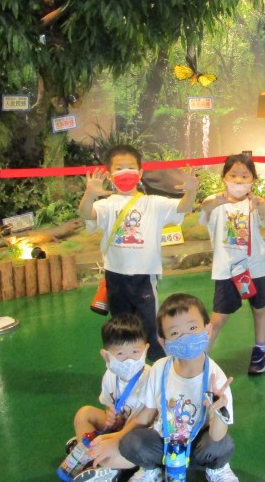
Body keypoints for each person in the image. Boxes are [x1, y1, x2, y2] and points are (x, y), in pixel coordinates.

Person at [114, 292, 241, 482]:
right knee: (130, 443)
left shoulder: (216, 378)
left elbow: (217, 436)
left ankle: (217, 469)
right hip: (166, 443)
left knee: (222, 445)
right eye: (175, 333)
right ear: (163, 342)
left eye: (192, 328)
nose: (185, 338)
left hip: (199, 446)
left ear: (208, 330)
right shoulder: (159, 369)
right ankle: (152, 471)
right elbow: (146, 414)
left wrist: (219, 411)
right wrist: (115, 438)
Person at [80, 144, 197, 360]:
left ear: (140, 173)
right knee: (122, 328)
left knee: (151, 327)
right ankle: (125, 366)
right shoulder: (107, 205)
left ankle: (158, 367)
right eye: (119, 168)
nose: (125, 172)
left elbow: (183, 207)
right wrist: (89, 195)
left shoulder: (153, 203)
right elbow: (87, 214)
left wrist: (191, 191)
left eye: (131, 167)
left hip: (144, 277)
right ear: (110, 175)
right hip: (115, 277)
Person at [199, 153, 265, 374]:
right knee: (218, 317)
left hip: (256, 267)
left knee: (259, 309)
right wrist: (218, 201)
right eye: (233, 175)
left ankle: (260, 351)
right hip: (227, 269)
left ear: (253, 179)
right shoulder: (215, 202)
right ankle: (200, 356)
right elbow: (205, 207)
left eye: (245, 175)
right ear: (224, 177)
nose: (239, 180)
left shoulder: (256, 202)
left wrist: (262, 206)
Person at [65, 314, 151, 482]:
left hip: (136, 438)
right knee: (84, 413)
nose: (129, 360)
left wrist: (115, 438)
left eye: (135, 352)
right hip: (119, 428)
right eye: (120, 354)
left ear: (146, 349)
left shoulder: (151, 377)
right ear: (106, 356)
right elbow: (110, 408)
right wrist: (112, 418)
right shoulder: (110, 376)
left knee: (130, 448)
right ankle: (96, 455)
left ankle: (104, 465)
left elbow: (148, 422)